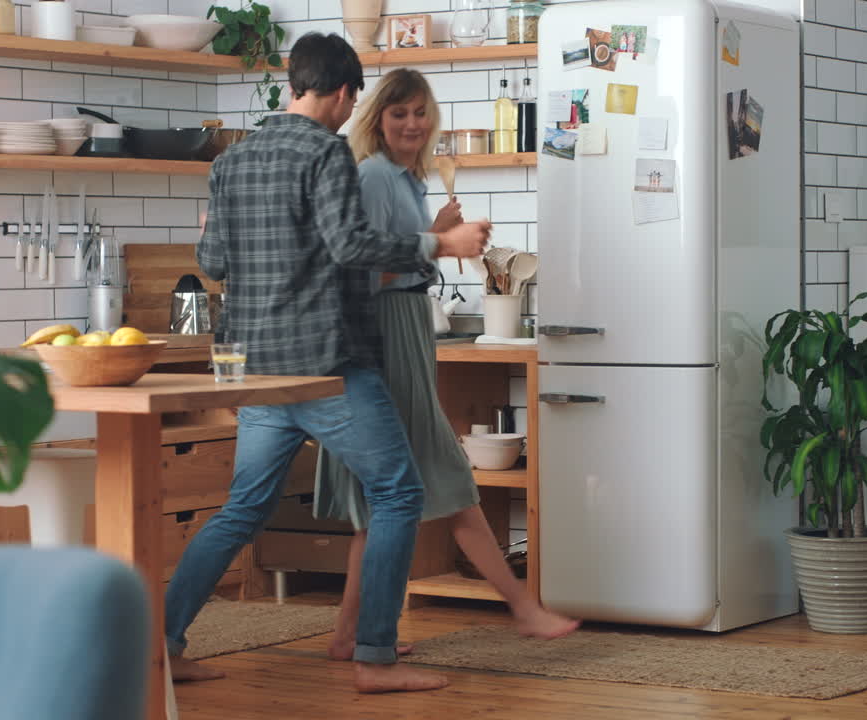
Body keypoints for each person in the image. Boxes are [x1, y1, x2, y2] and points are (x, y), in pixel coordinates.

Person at [164, 33, 491, 694]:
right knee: (399, 491)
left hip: (256, 367)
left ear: (295, 81)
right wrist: (440, 240)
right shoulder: (327, 152)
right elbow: (351, 245)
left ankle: (162, 646)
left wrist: (214, 230)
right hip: (324, 363)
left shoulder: (234, 158)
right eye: (353, 101)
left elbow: (216, 265)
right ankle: (374, 658)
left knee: (241, 510)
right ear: (342, 93)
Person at [313, 68, 579, 662]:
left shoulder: (408, 181)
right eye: (398, 112)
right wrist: (437, 245)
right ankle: (522, 607)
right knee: (452, 481)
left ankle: (345, 635)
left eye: (420, 112)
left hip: (402, 333)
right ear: (377, 118)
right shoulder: (378, 177)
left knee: (379, 504)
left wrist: (433, 234)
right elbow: (360, 271)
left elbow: (396, 254)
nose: (412, 123)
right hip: (386, 337)